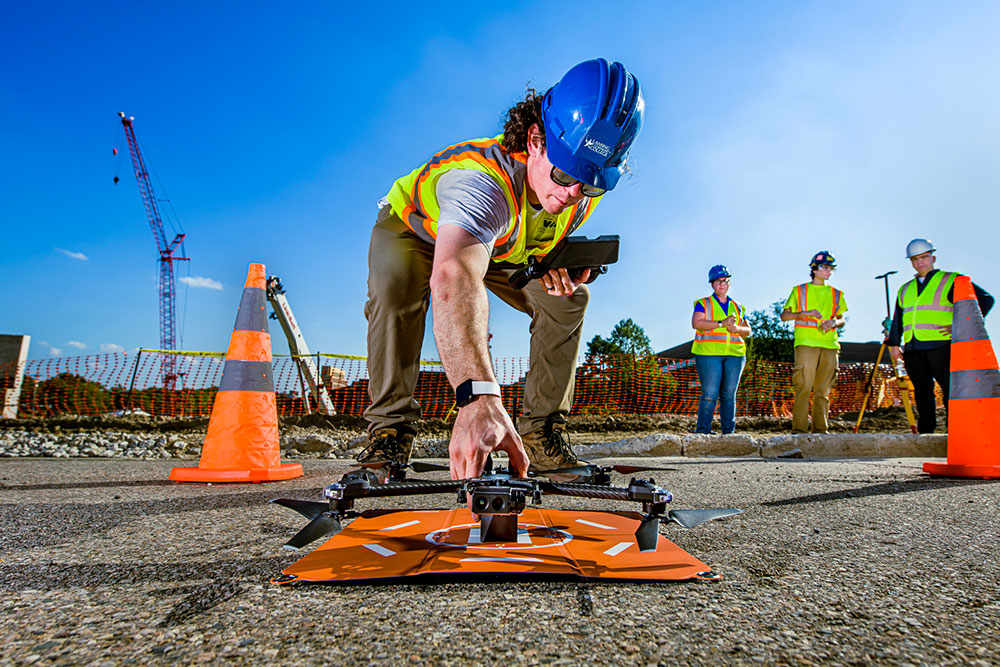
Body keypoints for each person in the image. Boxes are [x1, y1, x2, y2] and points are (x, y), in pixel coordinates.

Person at [359, 59, 645, 481]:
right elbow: (454, 276)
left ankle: (540, 434)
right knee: (396, 289)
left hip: (497, 246)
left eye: (589, 182)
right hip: (416, 228)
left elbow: (538, 230)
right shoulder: (483, 184)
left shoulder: (583, 185)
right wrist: (480, 399)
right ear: (535, 140)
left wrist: (556, 262)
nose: (572, 193)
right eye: (564, 173)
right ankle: (389, 432)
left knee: (568, 300)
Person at [888, 239, 994, 433]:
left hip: (941, 346)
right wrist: (894, 344)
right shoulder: (905, 289)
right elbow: (898, 318)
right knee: (922, 392)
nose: (920, 262)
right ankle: (926, 432)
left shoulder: (951, 280)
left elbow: (985, 300)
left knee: (950, 389)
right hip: (913, 348)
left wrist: (961, 326)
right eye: (915, 259)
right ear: (911, 262)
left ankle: (955, 431)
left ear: (933, 258)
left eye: (924, 257)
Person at [780, 251, 848, 433]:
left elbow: (841, 319)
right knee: (803, 387)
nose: (828, 271)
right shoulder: (799, 291)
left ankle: (821, 431)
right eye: (825, 267)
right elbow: (784, 316)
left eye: (831, 268)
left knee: (823, 391)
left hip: (830, 345)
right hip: (806, 344)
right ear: (814, 269)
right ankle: (799, 431)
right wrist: (804, 313)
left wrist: (834, 323)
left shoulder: (836, 294)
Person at [690, 265, 752, 434]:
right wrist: (721, 323)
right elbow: (696, 323)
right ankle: (703, 431)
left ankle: (728, 433)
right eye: (718, 281)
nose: (722, 284)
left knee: (729, 395)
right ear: (712, 284)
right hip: (708, 354)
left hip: (734, 355)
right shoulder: (703, 303)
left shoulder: (738, 306)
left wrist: (737, 329)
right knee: (710, 393)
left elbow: (748, 331)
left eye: (725, 281)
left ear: (729, 282)